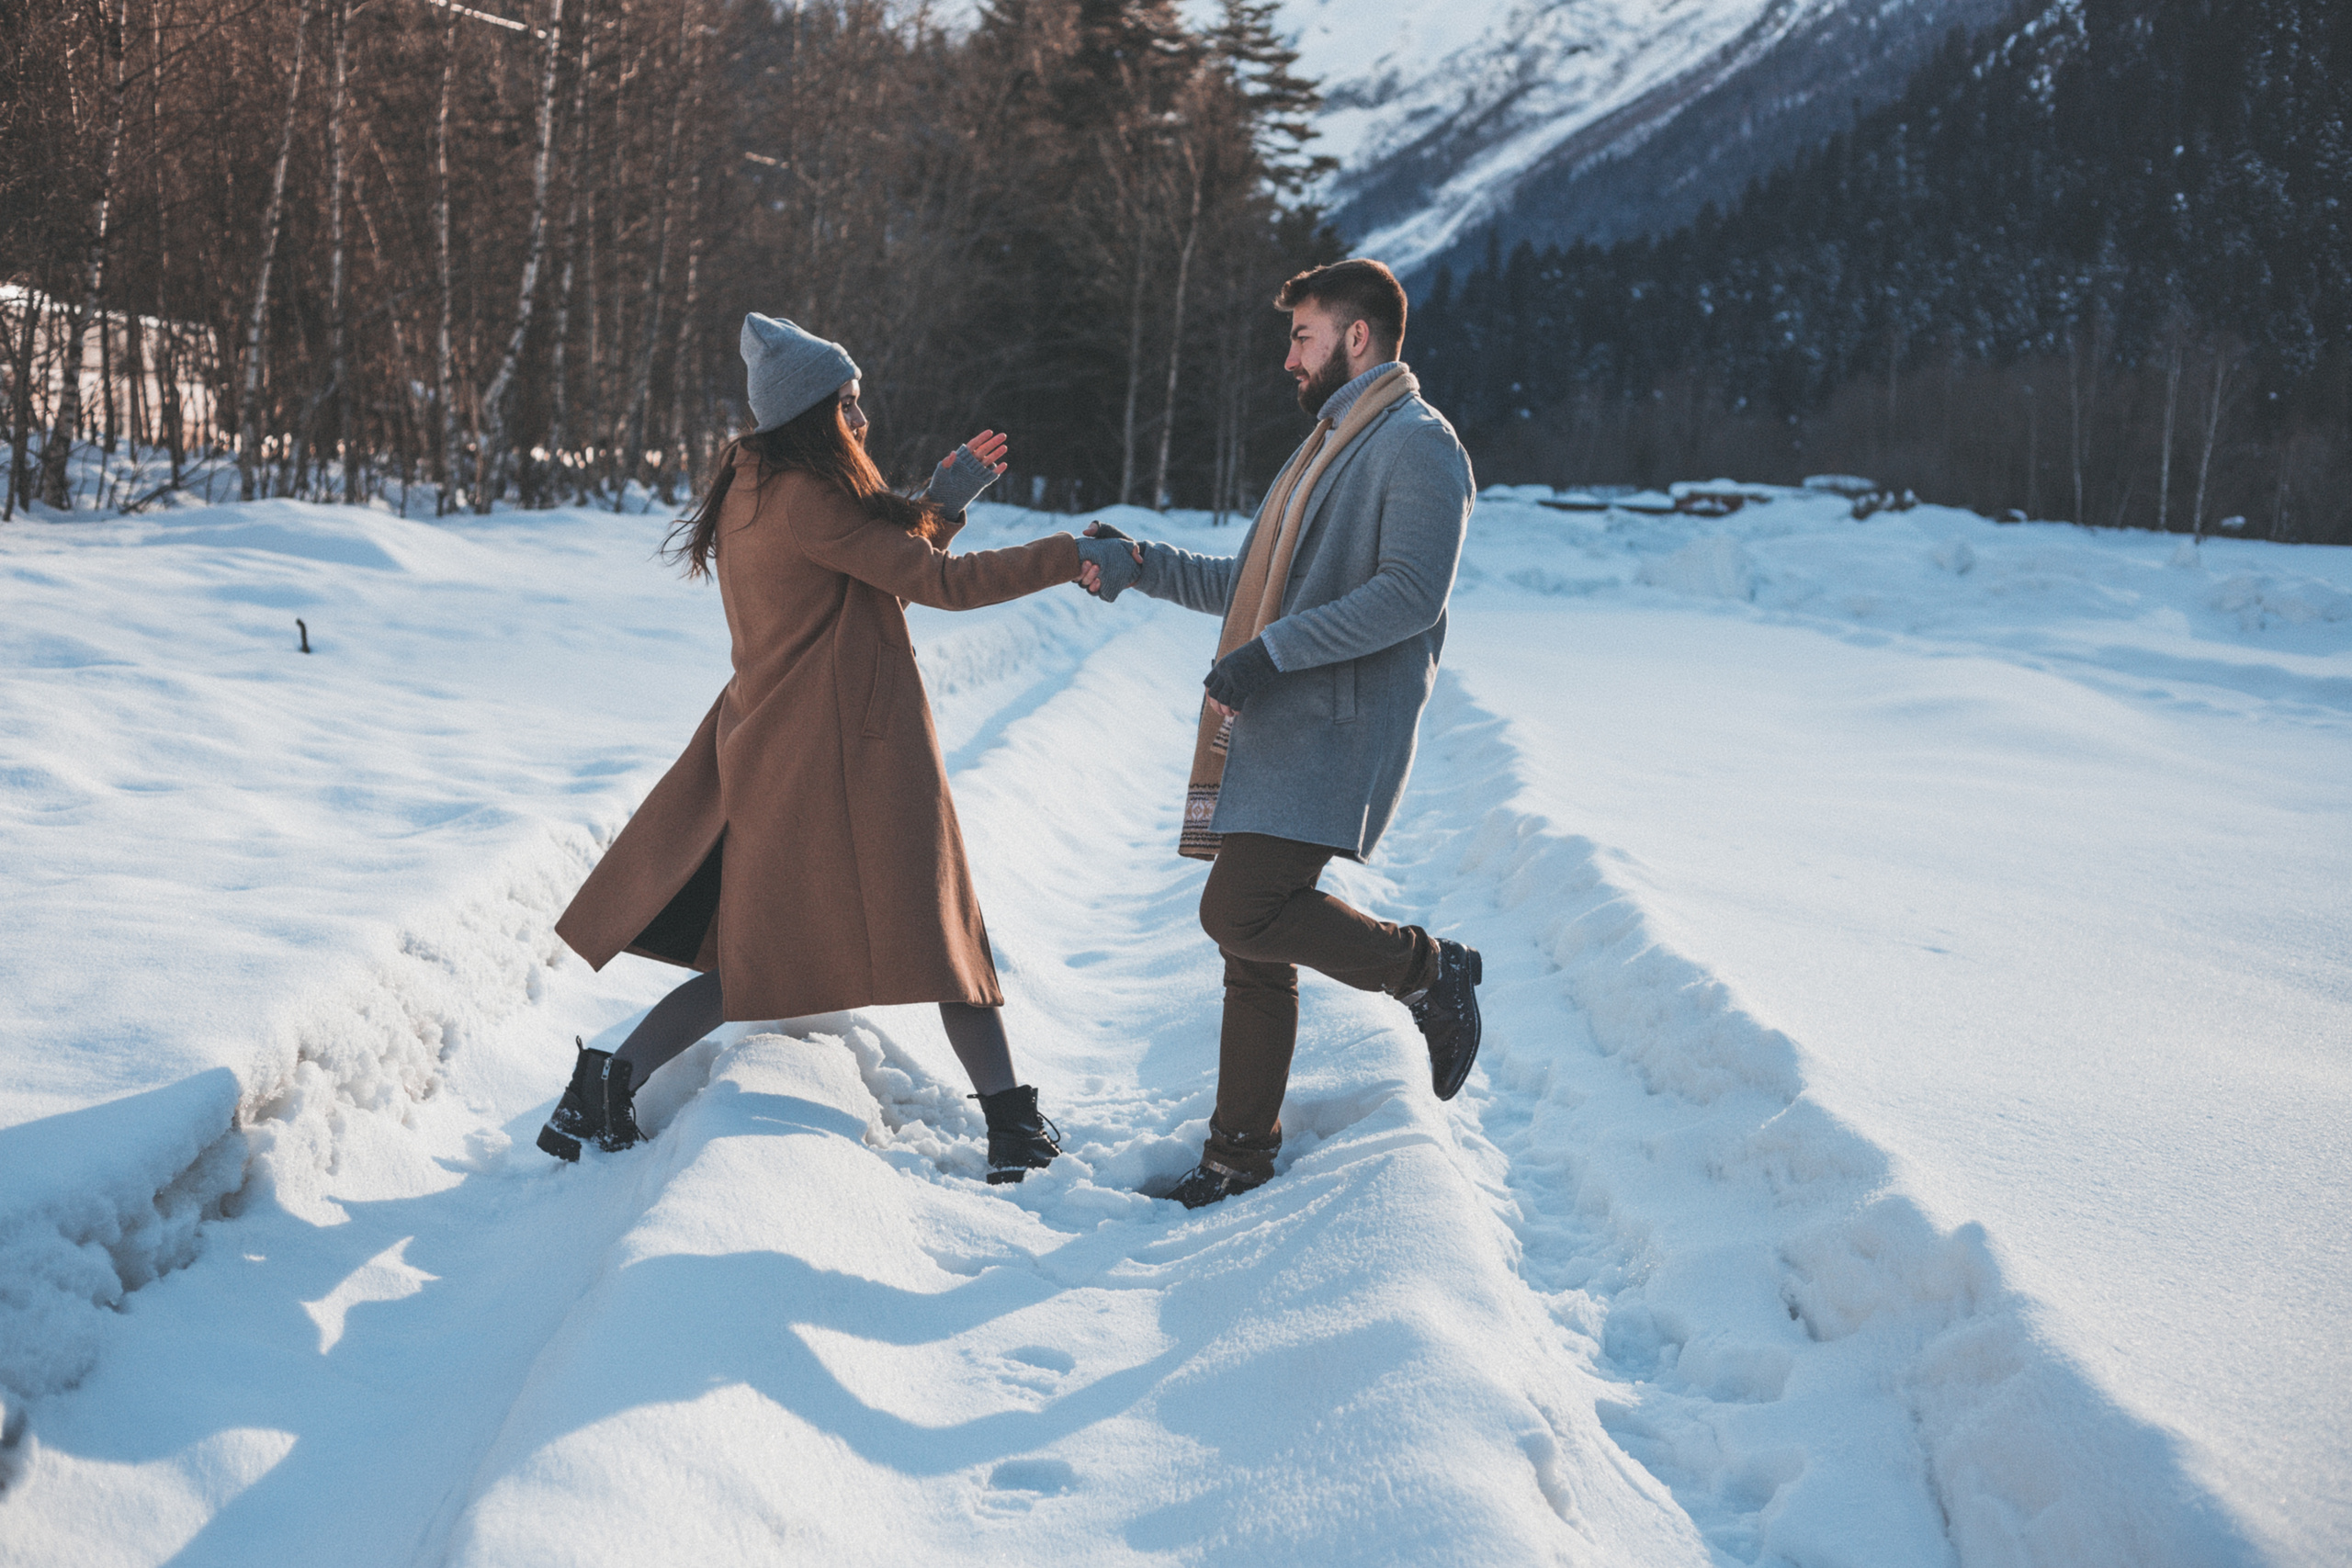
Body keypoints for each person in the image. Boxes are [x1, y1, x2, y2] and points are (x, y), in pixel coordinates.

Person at [537, 311, 1138, 1182]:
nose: (863, 420)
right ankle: (1012, 1126)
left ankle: (603, 1083)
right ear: (811, 414)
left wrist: (938, 504)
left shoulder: (757, 486)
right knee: (945, 932)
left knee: (757, 959)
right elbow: (936, 583)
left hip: (782, 750)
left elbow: (873, 558)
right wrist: (1068, 554)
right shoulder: (808, 498)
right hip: (843, 760)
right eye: (848, 405)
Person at [1080, 258, 1483, 1209]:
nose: (1288, 358)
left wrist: (1270, 655)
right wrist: (1140, 562)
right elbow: (1251, 582)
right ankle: (1236, 1156)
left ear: (1357, 337)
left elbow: (1407, 596)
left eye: (1302, 336)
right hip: (1285, 723)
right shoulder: (1327, 446)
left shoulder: (1417, 445)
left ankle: (1428, 968)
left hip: (1329, 731)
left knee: (1239, 909)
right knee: (1251, 950)